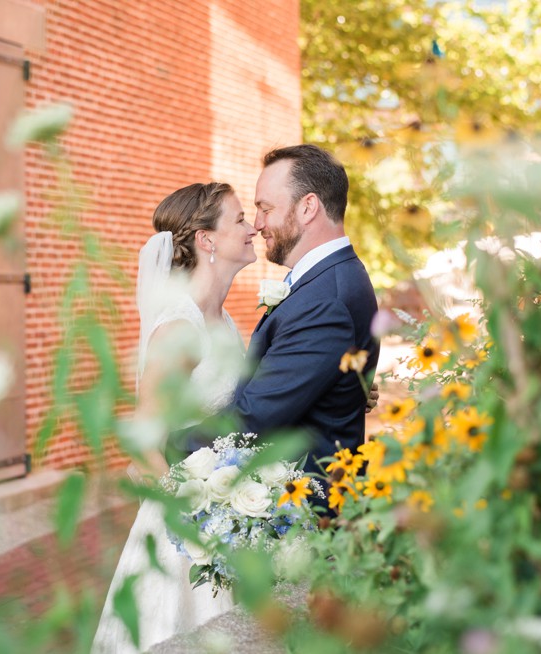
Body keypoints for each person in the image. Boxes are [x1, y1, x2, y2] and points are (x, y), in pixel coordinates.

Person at [91, 182, 254, 653]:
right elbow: (142, 449)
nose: (252, 228)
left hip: (227, 514)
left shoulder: (226, 322)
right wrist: (200, 521)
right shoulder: (180, 327)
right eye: (240, 219)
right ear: (206, 239)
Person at [230, 144, 380, 482]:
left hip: (303, 512)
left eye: (265, 208)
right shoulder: (327, 279)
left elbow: (253, 418)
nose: (257, 224)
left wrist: (165, 445)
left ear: (308, 207)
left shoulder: (325, 298)